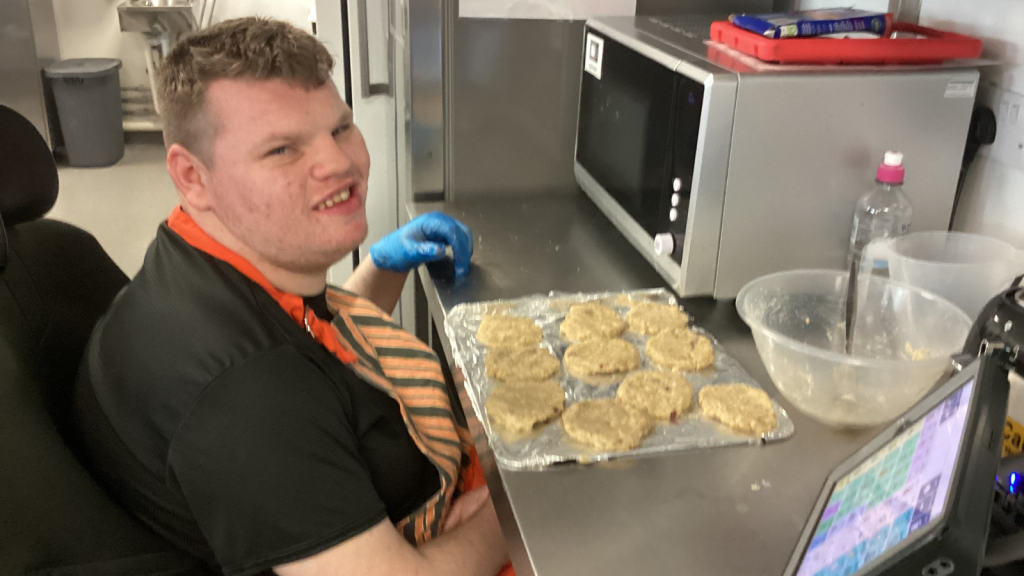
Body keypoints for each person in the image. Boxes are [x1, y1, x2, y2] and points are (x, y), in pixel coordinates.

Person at [72, 17, 510, 576]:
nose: (339, 163)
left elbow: (309, 350)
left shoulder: (205, 264)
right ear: (192, 175)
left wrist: (380, 267)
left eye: (341, 127)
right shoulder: (243, 393)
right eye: (282, 149)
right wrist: (511, 505)